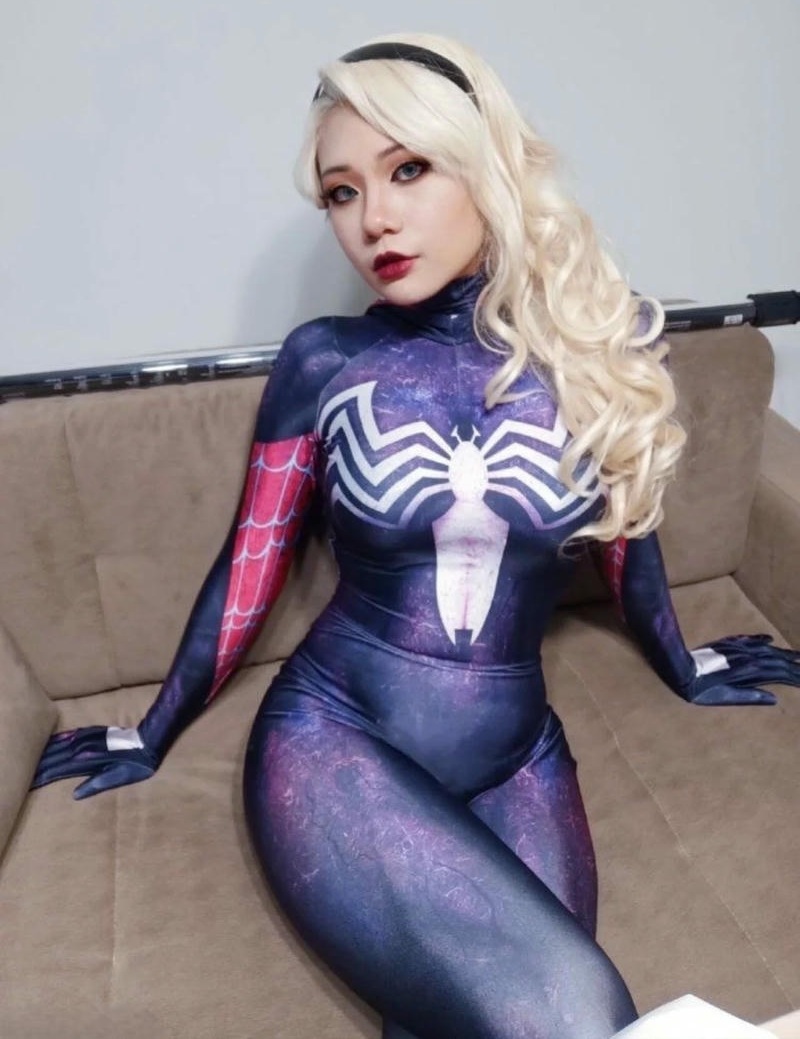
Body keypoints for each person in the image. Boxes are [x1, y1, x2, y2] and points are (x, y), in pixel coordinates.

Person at [33, 33, 800, 1039]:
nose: (374, 219)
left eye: (407, 171)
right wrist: (152, 725)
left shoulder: (591, 351)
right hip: (336, 738)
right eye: (340, 192)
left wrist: (682, 659)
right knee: (576, 1011)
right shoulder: (326, 360)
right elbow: (252, 562)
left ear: (484, 168)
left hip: (518, 750)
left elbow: (627, 539)